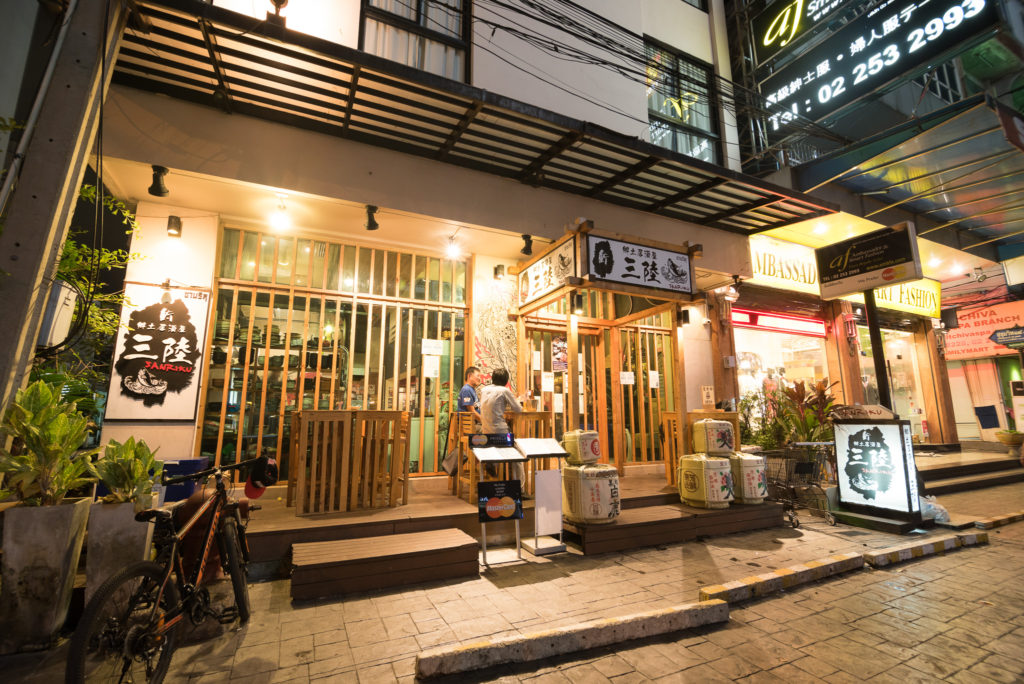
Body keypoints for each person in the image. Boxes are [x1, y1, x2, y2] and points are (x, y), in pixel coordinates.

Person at [479, 368, 525, 481]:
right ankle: (520, 487)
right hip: (501, 434)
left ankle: (493, 462)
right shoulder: (504, 391)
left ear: (493, 379)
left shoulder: (484, 390)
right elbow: (518, 409)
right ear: (506, 380)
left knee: (505, 449)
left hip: (486, 433)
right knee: (519, 454)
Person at [442, 367, 482, 474]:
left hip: (474, 425)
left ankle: (479, 461)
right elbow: (471, 411)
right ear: (469, 376)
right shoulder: (466, 390)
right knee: (490, 432)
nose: (480, 378)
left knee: (490, 433)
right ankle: (480, 462)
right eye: (477, 376)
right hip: (469, 427)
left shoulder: (471, 390)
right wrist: (485, 421)